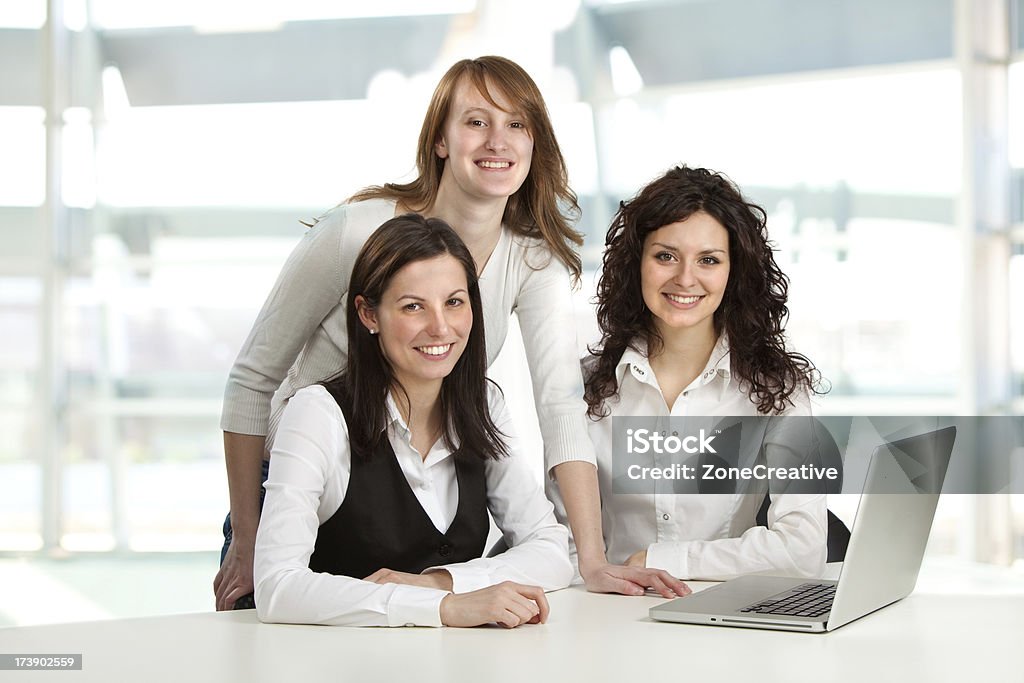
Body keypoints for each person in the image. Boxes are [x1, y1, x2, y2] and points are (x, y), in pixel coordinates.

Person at [216, 56, 676, 610]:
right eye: (476, 122)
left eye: (516, 124)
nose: (496, 141)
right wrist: (246, 539)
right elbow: (251, 380)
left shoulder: (532, 260)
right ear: (439, 140)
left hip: (419, 472)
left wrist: (593, 558)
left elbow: (558, 405)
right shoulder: (356, 231)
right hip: (304, 476)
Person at [253, 214, 572, 627]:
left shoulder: (483, 403)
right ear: (369, 315)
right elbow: (277, 587)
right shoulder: (317, 413)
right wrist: (444, 608)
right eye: (413, 307)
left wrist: (442, 583)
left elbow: (549, 548)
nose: (440, 327)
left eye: (454, 302)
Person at [561, 165, 829, 580]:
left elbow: (803, 549)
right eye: (665, 256)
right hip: (607, 612)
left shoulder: (778, 391)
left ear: (733, 271)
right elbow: (559, 540)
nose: (685, 279)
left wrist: (662, 561)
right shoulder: (583, 386)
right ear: (637, 263)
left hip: (722, 618)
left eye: (708, 260)